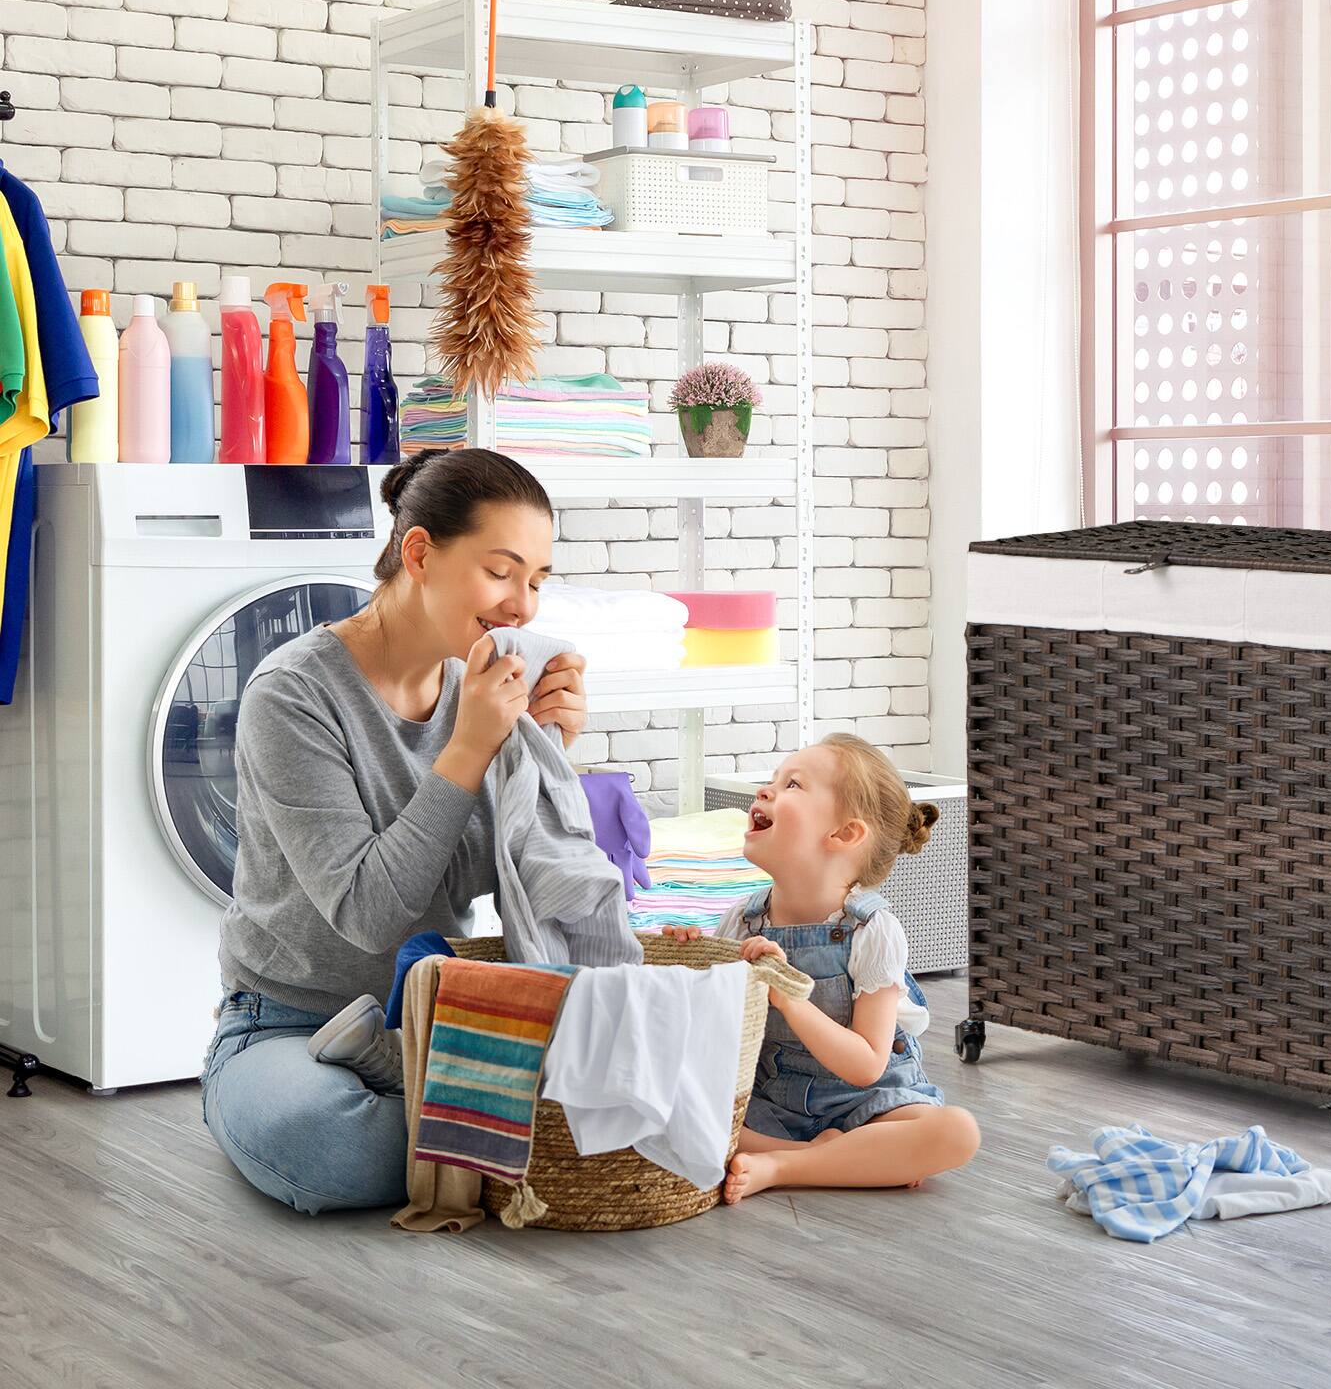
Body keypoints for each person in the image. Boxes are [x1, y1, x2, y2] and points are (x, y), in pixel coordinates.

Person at [202, 449, 589, 1214]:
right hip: (290, 1024)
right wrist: (472, 747)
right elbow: (370, 914)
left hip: (439, 1014)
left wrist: (546, 757)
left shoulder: (481, 689)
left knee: (622, 1070)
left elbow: (471, 875)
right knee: (325, 1142)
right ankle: (471, 1126)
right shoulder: (293, 694)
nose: (523, 606)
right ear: (419, 553)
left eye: (537, 581)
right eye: (502, 571)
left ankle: (439, 1105)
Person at [666, 733, 981, 1201]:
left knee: (957, 1132)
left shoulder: (871, 930)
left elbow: (867, 1066)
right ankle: (844, 1159)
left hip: (867, 1102)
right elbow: (716, 1029)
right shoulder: (743, 919)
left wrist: (787, 996)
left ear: (844, 834)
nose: (766, 791)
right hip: (772, 1098)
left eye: (792, 784)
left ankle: (786, 1166)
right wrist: (689, 966)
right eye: (772, 781)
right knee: (669, 1104)